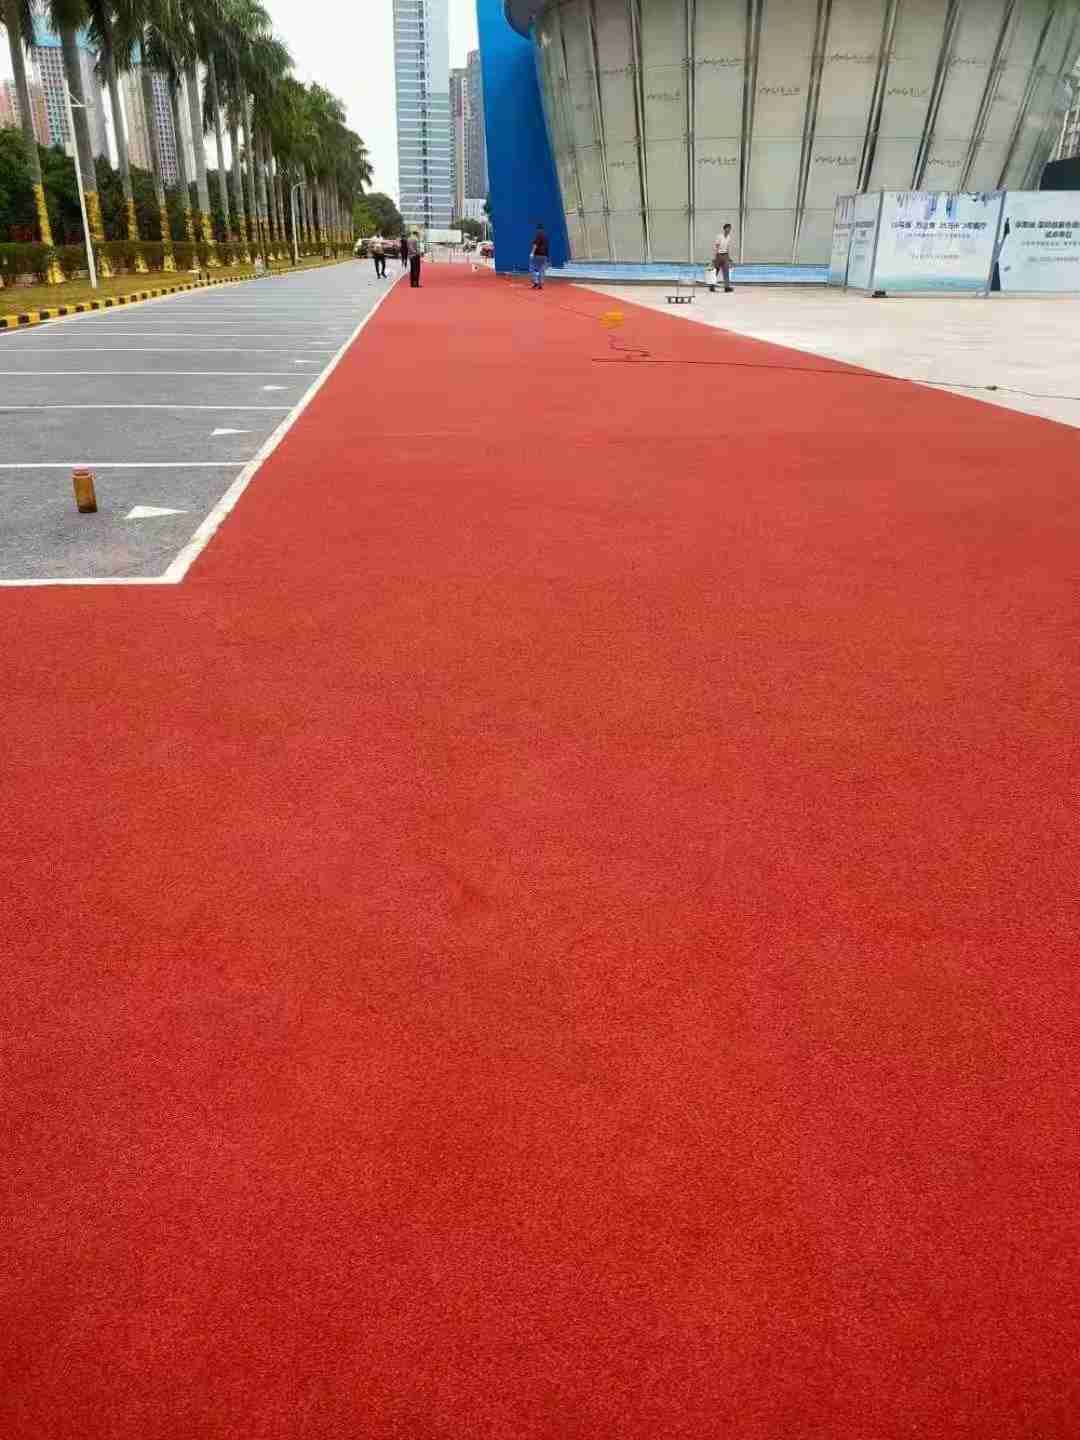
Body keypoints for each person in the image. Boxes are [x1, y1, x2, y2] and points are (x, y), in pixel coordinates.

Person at [711, 223, 735, 293]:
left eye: (730, 228)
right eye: (728, 228)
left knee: (726, 271)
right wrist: (715, 257)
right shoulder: (719, 236)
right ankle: (712, 286)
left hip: (725, 255)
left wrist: (729, 257)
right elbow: (717, 246)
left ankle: (727, 287)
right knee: (716, 271)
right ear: (724, 229)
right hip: (719, 255)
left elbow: (727, 248)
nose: (729, 230)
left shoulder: (729, 237)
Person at [530, 223, 550, 289]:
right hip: (544, 256)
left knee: (533, 268)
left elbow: (535, 245)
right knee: (542, 269)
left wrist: (532, 253)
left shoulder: (538, 236)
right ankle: (540, 283)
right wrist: (547, 257)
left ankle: (535, 281)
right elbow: (547, 248)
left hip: (537, 255)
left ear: (538, 229)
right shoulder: (546, 237)